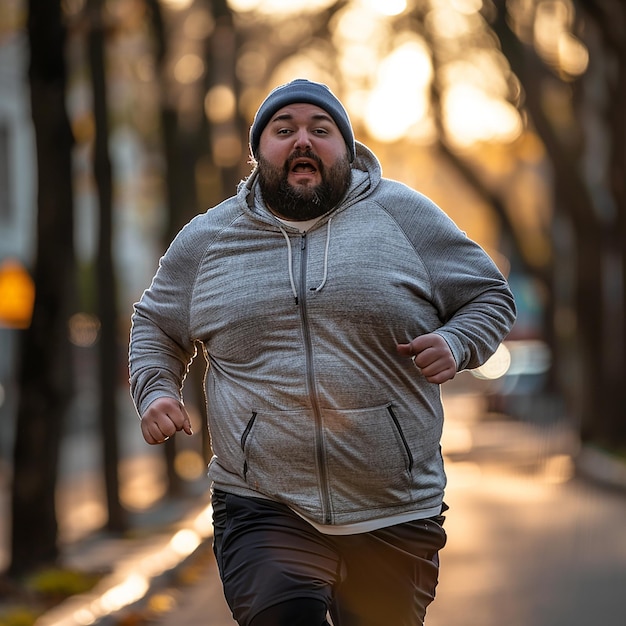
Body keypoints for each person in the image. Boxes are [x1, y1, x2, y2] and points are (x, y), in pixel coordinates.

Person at [129, 78, 516, 626]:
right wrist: (156, 390)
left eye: (320, 129)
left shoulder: (404, 216)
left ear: (347, 146)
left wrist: (457, 342)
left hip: (394, 508)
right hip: (263, 503)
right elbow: (155, 324)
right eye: (283, 131)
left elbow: (487, 296)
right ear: (259, 152)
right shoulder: (208, 238)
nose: (302, 141)